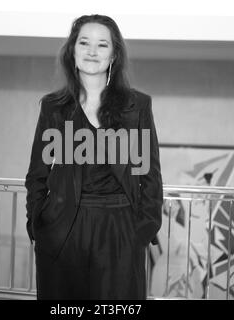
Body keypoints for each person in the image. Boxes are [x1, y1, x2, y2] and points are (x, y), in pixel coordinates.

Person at [25, 14, 163, 300]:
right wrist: (39, 226)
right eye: (84, 42)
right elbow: (37, 174)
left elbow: (149, 176)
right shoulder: (53, 107)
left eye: (102, 45)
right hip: (62, 227)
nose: (92, 51)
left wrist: (142, 231)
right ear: (72, 51)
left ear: (114, 55)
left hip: (120, 228)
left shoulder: (137, 106)